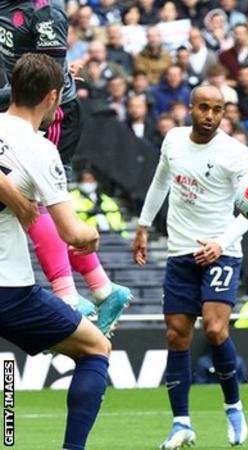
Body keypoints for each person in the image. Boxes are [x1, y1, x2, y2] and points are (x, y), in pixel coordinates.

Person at [0, 0, 132, 335]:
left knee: (34, 200)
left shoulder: (44, 10)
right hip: (14, 110)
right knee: (19, 199)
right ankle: (101, 288)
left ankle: (72, 297)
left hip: (47, 114)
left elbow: (48, 84)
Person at [133, 85, 248, 448]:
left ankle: (233, 406)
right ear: (191, 108)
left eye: (218, 110)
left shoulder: (236, 153)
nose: (210, 116)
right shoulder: (172, 140)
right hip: (180, 251)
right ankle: (181, 423)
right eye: (204, 107)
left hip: (223, 251)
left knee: (216, 330)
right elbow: (160, 182)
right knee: (176, 335)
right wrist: (142, 225)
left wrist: (221, 243)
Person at [0, 53, 110, 450]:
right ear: (51, 98)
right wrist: (91, 233)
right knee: (96, 348)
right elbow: (72, 234)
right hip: (8, 290)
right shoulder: (41, 149)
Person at [69, 170, 126, 234]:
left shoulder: (105, 199)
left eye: (91, 180)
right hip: (84, 236)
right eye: (85, 180)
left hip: (110, 236)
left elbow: (118, 221)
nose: (88, 183)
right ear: (80, 182)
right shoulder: (71, 198)